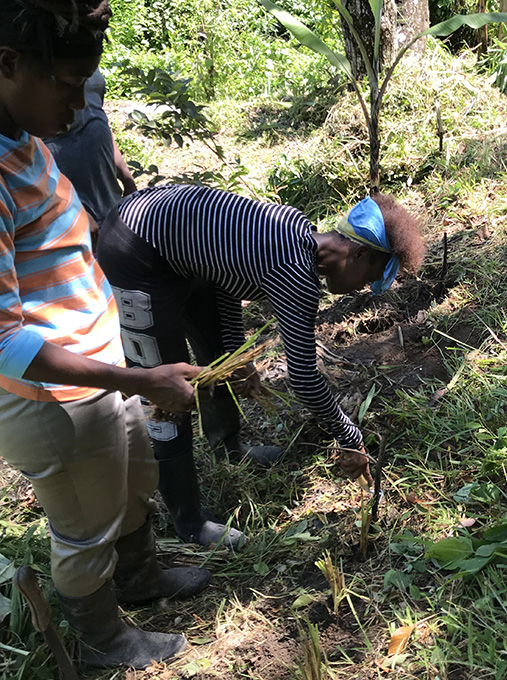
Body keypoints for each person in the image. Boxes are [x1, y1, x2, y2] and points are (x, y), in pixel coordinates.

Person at [0, 0, 210, 670]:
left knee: (133, 478)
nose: (80, 107)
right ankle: (103, 641)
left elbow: (70, 233)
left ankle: (141, 582)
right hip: (52, 397)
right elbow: (4, 341)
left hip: (97, 362)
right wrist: (139, 378)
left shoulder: (23, 138)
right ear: (7, 66)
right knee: (85, 524)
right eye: (65, 85)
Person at [97, 184, 425, 550]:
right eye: (368, 280)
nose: (358, 289)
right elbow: (303, 377)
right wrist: (349, 437)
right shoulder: (295, 270)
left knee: (223, 360)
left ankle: (228, 445)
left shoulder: (295, 229)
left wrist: (239, 353)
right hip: (136, 245)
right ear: (360, 254)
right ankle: (189, 520)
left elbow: (222, 274)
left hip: (187, 256)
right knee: (164, 392)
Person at [44, 67, 137, 227]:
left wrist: (126, 176)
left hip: (108, 200)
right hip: (65, 215)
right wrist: (70, 207)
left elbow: (96, 115)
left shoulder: (84, 53)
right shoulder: (33, 60)